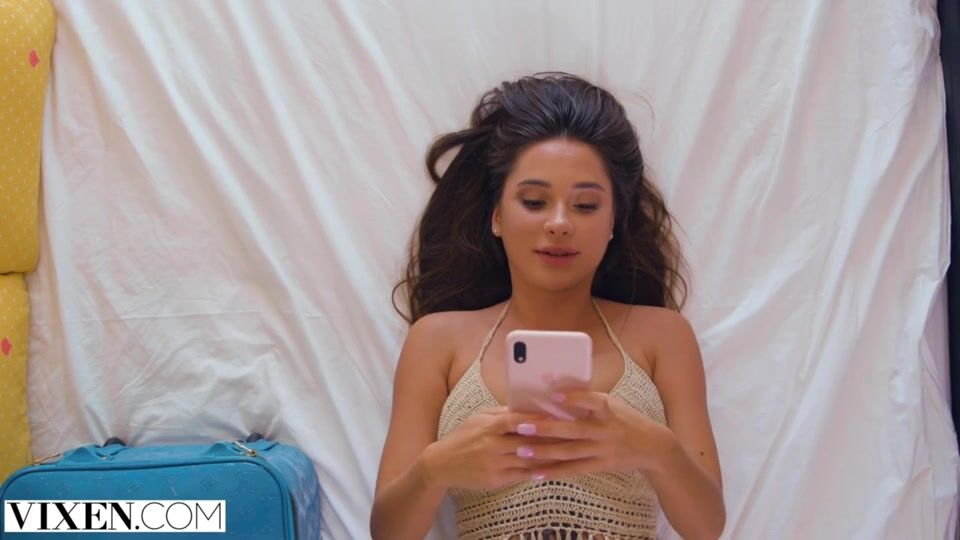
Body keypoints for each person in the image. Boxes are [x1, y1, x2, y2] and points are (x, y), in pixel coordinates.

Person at [371, 72, 724, 540]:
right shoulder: (437, 340)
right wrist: (437, 468)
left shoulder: (663, 335)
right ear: (497, 216)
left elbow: (706, 527)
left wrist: (654, 449)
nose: (559, 224)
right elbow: (389, 533)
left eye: (585, 206)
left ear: (614, 221)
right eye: (535, 201)